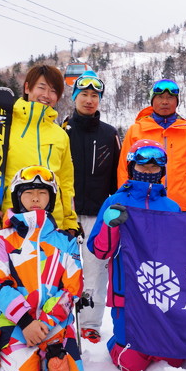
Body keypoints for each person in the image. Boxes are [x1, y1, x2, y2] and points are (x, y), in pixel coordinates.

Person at [0, 166, 86, 371]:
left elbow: (73, 288)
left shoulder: (65, 241)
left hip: (54, 325)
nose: (35, 198)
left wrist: (45, 323)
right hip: (16, 325)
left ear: (52, 198)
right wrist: (27, 322)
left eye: (43, 192)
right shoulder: (1, 240)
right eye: (28, 192)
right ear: (18, 197)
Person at [89, 140, 185, 371]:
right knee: (130, 363)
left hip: (161, 290)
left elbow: (183, 251)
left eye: (154, 168)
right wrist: (110, 226)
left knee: (174, 360)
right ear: (132, 168)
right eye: (143, 167)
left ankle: (155, 343)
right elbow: (100, 251)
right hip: (126, 293)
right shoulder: (115, 202)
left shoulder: (171, 207)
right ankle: (119, 344)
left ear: (162, 171)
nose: (148, 172)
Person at [0, 65, 78, 237]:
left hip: (52, 227)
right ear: (27, 87)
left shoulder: (60, 136)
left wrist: (70, 221)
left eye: (53, 91)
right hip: (8, 225)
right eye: (41, 87)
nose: (46, 95)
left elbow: (66, 183)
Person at [62, 70, 121, 344]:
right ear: (74, 97)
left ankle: (90, 324)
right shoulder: (62, 131)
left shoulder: (109, 134)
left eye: (94, 95)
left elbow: (117, 178)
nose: (89, 100)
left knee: (96, 271)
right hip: (65, 215)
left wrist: (116, 209)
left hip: (98, 215)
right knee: (64, 270)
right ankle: (62, 320)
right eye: (83, 94)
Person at [117, 79, 186, 212]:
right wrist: (124, 203)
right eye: (160, 97)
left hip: (182, 208)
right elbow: (124, 171)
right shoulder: (136, 130)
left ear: (177, 101)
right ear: (152, 100)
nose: (165, 102)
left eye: (170, 97)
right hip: (144, 206)